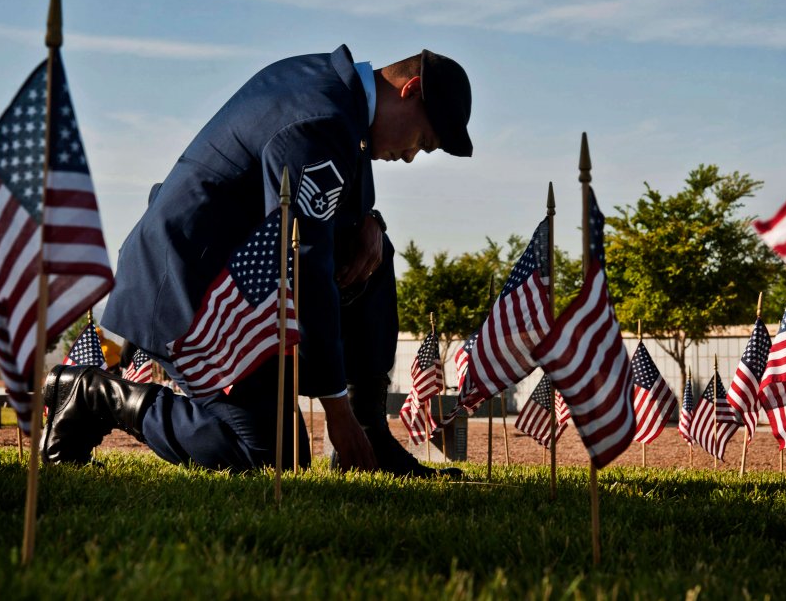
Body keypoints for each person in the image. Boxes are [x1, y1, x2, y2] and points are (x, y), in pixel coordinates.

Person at [40, 46, 472, 476]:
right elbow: (304, 262)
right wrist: (336, 409)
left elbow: (328, 215)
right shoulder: (323, 119)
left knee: (371, 249)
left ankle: (370, 435)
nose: (412, 155)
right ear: (409, 91)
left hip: (242, 278)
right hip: (191, 288)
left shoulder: (339, 98)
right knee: (272, 455)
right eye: (423, 140)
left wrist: (371, 223)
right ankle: (93, 395)